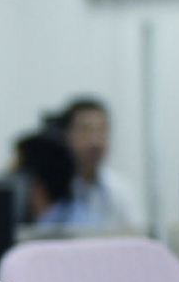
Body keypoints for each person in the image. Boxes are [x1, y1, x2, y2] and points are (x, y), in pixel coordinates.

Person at [54, 96, 142, 231]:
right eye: (85, 130)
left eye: (102, 130)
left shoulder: (121, 189)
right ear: (66, 135)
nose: (95, 141)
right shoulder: (50, 190)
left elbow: (137, 235)